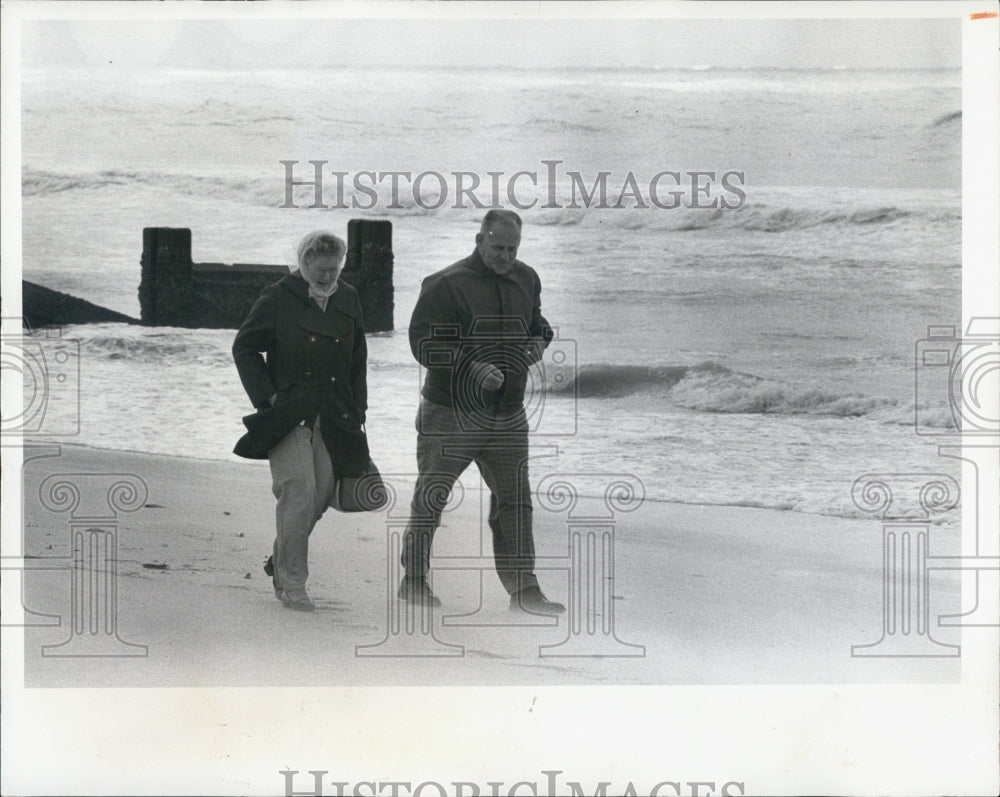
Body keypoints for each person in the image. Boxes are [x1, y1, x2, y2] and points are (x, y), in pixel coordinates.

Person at [399, 209, 565, 615]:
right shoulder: (444, 283)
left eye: (512, 248)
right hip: (449, 411)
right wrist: (470, 368)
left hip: (508, 413)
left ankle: (524, 590)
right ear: (479, 239)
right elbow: (421, 341)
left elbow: (537, 323)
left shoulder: (528, 277)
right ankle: (414, 580)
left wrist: (539, 341)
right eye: (497, 247)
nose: (505, 256)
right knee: (431, 497)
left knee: (516, 501)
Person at [232, 231, 369, 612]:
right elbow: (244, 347)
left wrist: (359, 411)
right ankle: (293, 584)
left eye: (335, 269)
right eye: (320, 269)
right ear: (304, 262)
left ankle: (280, 561)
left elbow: (359, 359)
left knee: (320, 495)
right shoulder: (279, 296)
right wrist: (269, 397)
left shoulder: (349, 298)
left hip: (335, 411)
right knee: (298, 492)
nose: (328, 277)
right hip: (290, 413)